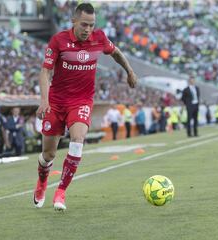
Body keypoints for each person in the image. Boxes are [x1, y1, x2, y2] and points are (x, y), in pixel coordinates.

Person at [34, 3, 137, 211]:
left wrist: (130, 71)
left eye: (91, 25)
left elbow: (115, 52)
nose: (88, 29)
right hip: (56, 102)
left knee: (78, 140)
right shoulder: (58, 40)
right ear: (73, 21)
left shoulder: (99, 38)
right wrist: (44, 100)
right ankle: (42, 181)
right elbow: (45, 72)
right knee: (48, 155)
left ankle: (61, 191)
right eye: (84, 25)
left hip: (81, 101)